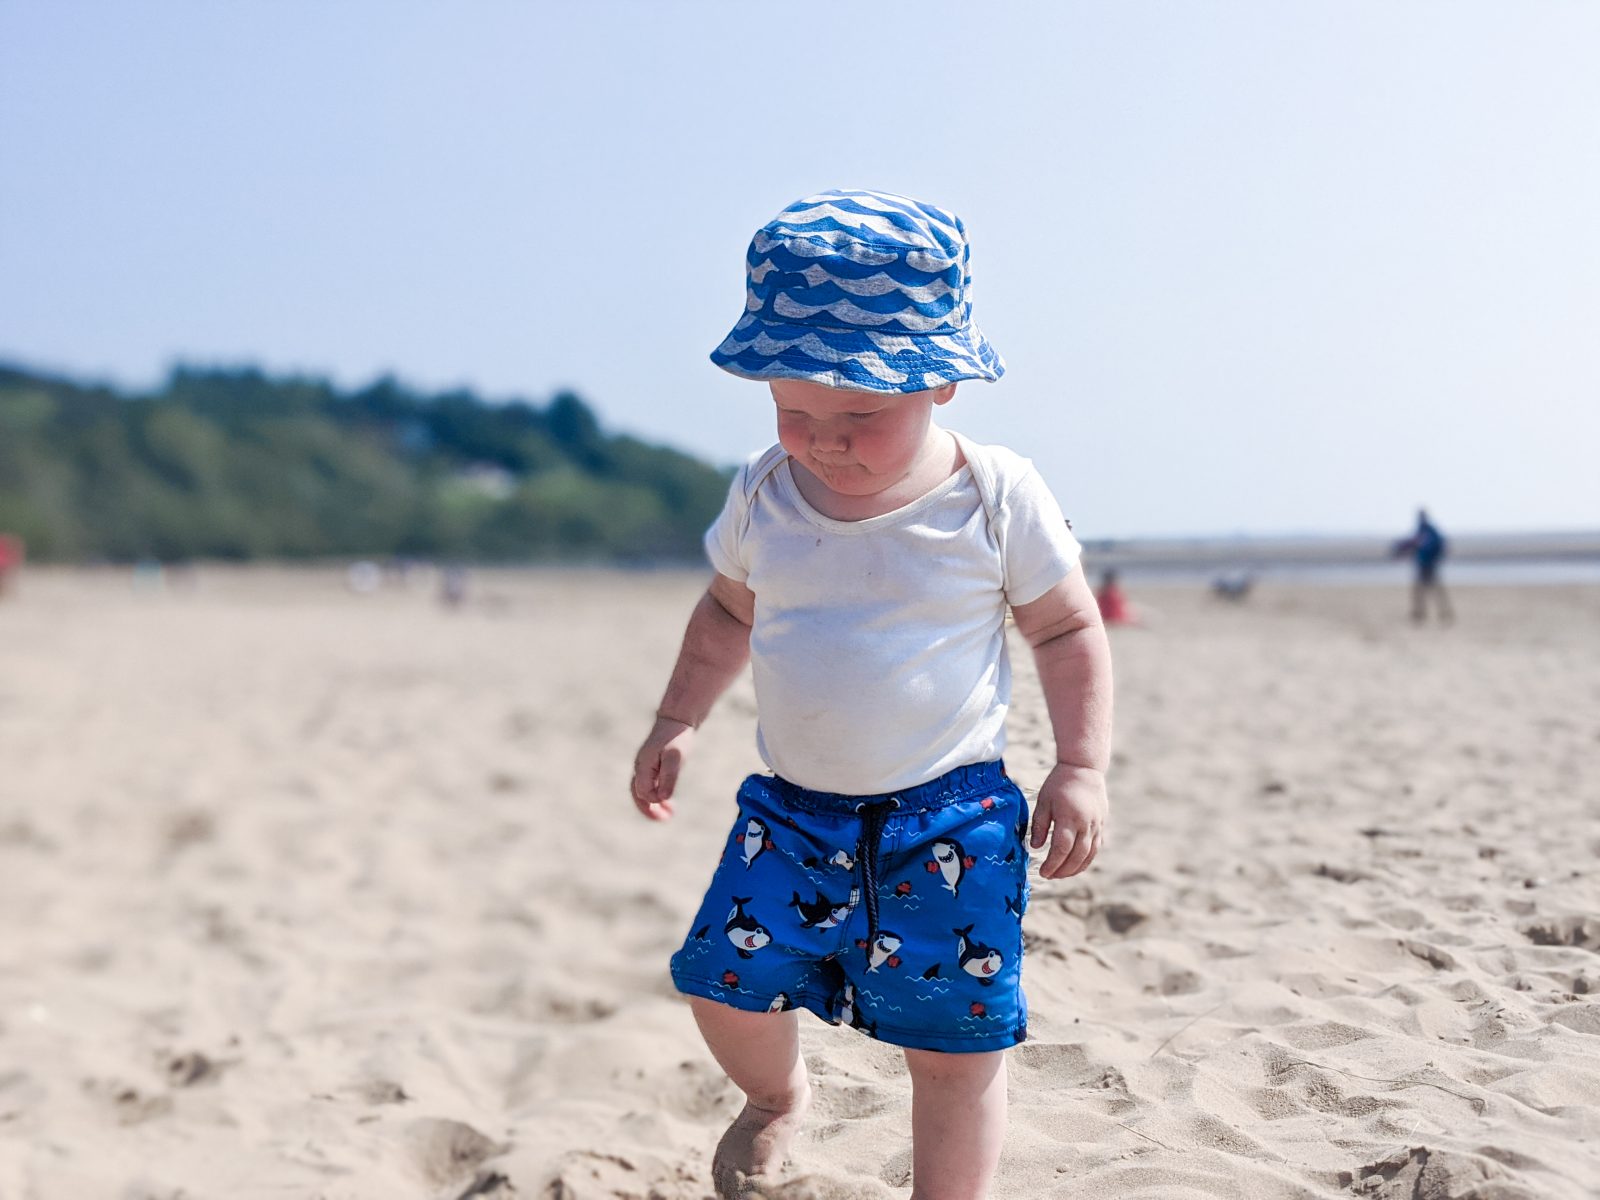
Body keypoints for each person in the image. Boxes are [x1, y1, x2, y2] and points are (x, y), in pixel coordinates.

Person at [630, 189, 1113, 1199]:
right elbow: (726, 617)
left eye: (859, 414)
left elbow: (1065, 629)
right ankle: (775, 1097)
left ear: (940, 384)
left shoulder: (993, 495)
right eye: (794, 411)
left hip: (949, 822)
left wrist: (1079, 766)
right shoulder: (766, 493)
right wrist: (677, 718)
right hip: (792, 815)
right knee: (722, 987)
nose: (824, 440)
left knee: (953, 1050)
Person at [1393, 508, 1453, 624]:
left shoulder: (1430, 531)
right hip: (1422, 565)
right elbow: (1413, 544)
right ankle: (1419, 614)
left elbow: (1432, 545)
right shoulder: (1421, 530)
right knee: (1420, 591)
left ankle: (1444, 614)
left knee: (1435, 591)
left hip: (1429, 565)